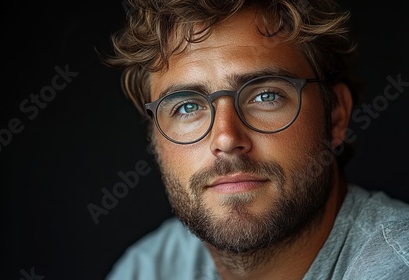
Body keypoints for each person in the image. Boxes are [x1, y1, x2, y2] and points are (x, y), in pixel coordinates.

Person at [102, 0, 409, 279]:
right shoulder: (149, 269)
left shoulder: (395, 267)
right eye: (187, 107)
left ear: (336, 116)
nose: (225, 138)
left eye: (265, 95)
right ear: (154, 137)